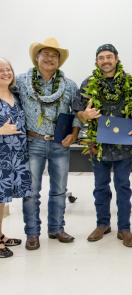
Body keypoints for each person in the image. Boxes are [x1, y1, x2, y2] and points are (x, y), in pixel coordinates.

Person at [75, 44, 132, 247]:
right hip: (98, 145)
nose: (105, 61)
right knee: (100, 187)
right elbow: (78, 110)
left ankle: (125, 228)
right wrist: (84, 115)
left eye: (109, 57)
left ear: (116, 58)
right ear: (96, 61)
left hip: (123, 145)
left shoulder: (129, 81)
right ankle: (102, 224)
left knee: (123, 187)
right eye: (101, 58)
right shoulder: (88, 83)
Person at [16, 37, 81, 250]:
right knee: (31, 191)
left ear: (59, 61)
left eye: (55, 55)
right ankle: (32, 234)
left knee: (59, 190)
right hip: (32, 141)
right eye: (46, 54)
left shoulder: (69, 86)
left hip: (60, 143)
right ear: (37, 57)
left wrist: (74, 134)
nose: (50, 58)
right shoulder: (21, 81)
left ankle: (56, 229)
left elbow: (78, 112)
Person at [0, 58, 32, 258]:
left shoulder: (16, 94)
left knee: (3, 201)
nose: (5, 72)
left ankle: (1, 235)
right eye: (0, 70)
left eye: (8, 69)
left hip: (15, 158)